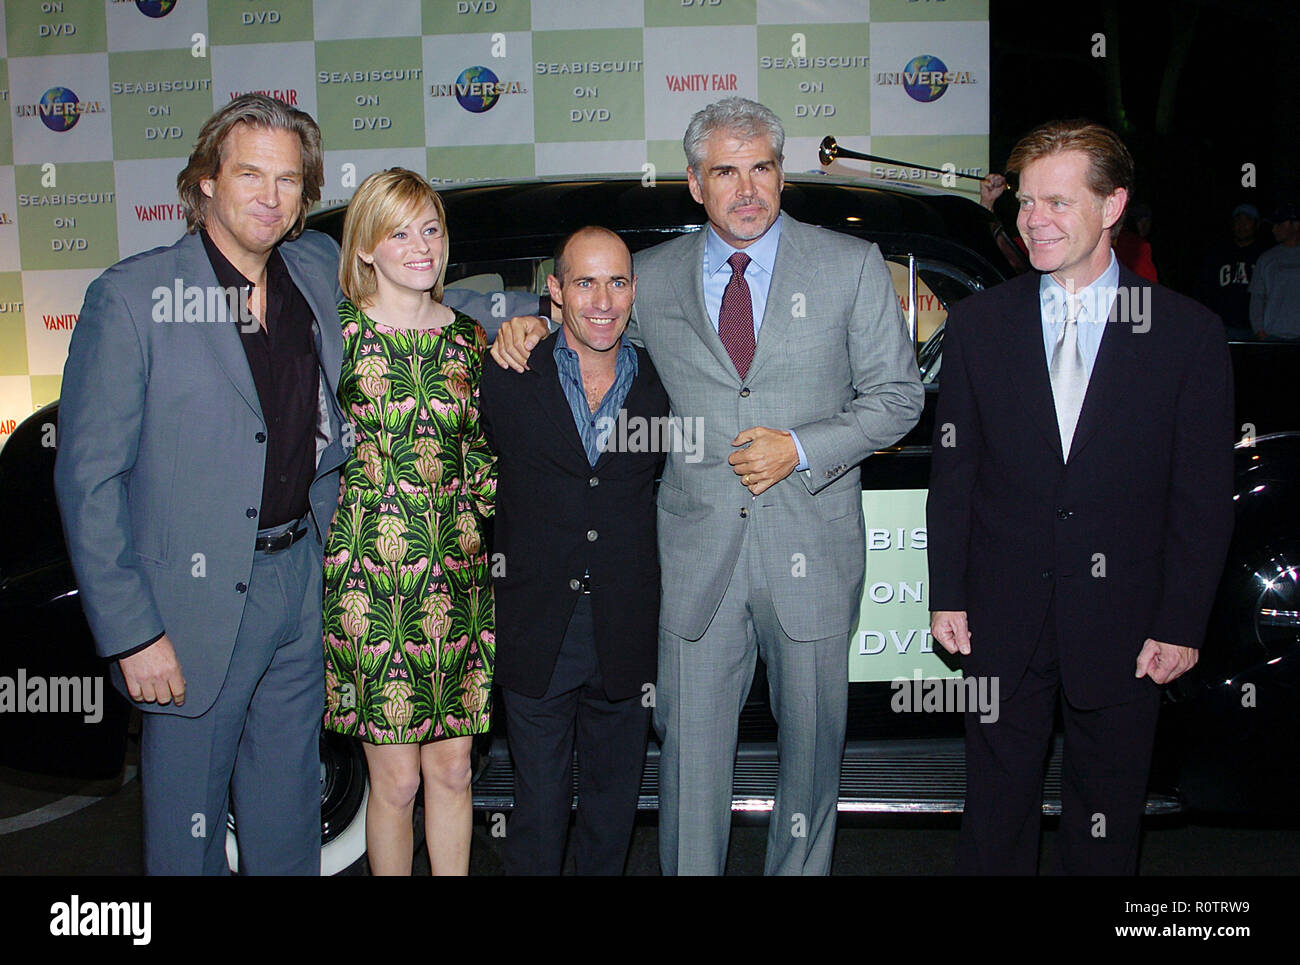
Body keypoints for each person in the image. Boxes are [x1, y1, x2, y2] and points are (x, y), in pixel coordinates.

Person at [492, 97, 924, 875]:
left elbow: (898, 398)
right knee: (689, 768)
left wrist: (799, 447)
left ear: (781, 173)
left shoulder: (850, 266)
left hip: (812, 553)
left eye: (761, 167)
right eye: (726, 170)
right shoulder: (647, 279)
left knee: (811, 759)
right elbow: (590, 337)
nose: (747, 187)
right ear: (695, 183)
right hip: (694, 565)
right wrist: (526, 322)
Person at [53, 94, 350, 875]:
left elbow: (420, 297)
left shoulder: (316, 269)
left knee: (288, 810)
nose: (270, 195)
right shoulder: (133, 299)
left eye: (289, 180)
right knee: (187, 838)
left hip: (298, 579)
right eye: (250, 173)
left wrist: (526, 315)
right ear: (206, 182)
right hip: (187, 610)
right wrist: (131, 632)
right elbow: (89, 481)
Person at [927, 119, 1234, 874]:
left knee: (1105, 822)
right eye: (1027, 201)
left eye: (1058, 202)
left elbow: (1201, 495)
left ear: (1113, 205)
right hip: (1002, 613)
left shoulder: (1185, 334)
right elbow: (955, 474)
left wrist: (1181, 619)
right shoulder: (977, 326)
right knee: (994, 818)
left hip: (1128, 622)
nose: (1035, 219)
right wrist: (948, 592)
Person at [321, 168, 496, 876]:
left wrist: (478, 527)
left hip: (454, 579)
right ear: (365, 246)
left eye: (430, 229)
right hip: (368, 583)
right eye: (399, 231)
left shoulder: (467, 339)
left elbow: (482, 453)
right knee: (393, 782)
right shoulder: (335, 334)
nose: (421, 246)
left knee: (453, 772)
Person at [480, 226, 668, 874]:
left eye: (617, 281)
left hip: (625, 630)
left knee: (612, 816)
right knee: (537, 812)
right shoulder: (506, 374)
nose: (603, 299)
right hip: (536, 631)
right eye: (584, 281)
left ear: (633, 290)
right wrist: (521, 326)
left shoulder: (662, 387)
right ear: (555, 290)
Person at [1193, 203, 1271, 339]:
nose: (1242, 225)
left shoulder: (1265, 257)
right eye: (1238, 220)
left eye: (1248, 221)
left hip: (1255, 328)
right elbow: (1203, 290)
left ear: (1256, 225)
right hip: (1222, 326)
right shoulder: (1218, 254)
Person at [1249, 202, 1300, 340]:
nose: (1273, 230)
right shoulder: (1267, 258)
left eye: (1279, 225)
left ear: (1295, 225)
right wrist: (1258, 329)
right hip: (1273, 335)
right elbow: (1257, 298)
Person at [1112, 200, 1158, 282]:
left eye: (1148, 221)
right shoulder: (1139, 246)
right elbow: (1147, 281)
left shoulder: (1111, 239)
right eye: (1142, 221)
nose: (1146, 226)